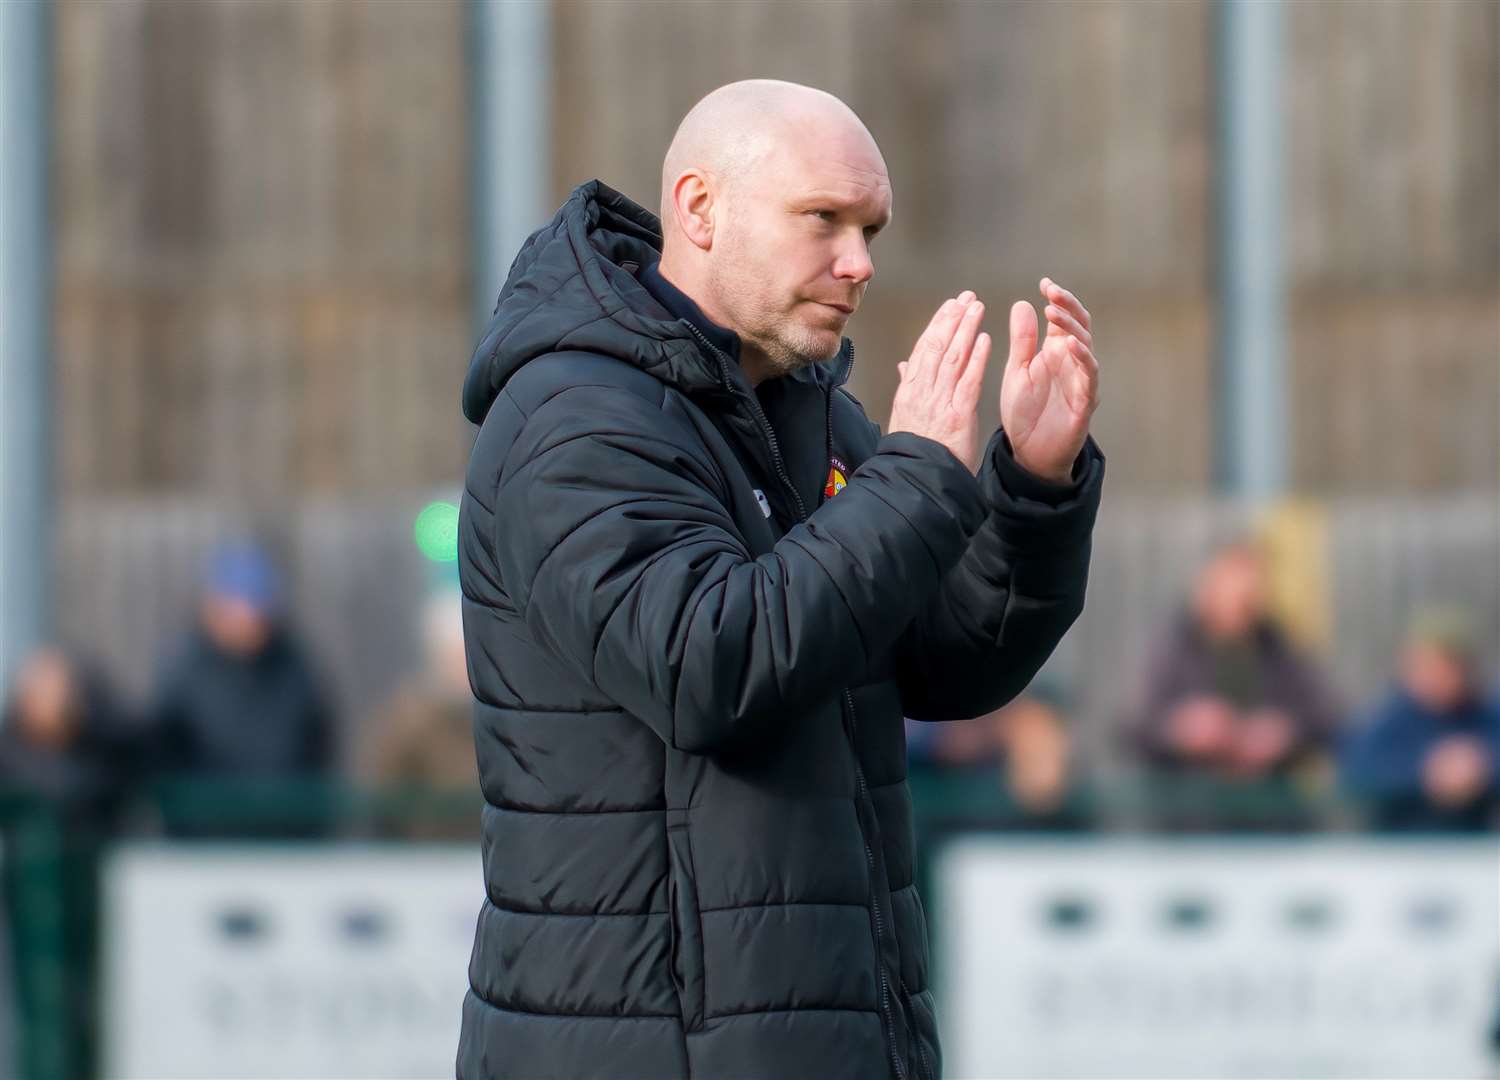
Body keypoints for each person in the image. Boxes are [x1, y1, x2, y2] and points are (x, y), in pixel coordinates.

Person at [456, 79, 1105, 1080]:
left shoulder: (807, 410)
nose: (859, 262)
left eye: (871, 228)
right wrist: (918, 479)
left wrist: (1031, 483)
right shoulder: (573, 416)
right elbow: (706, 668)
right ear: (699, 209)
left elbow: (942, 665)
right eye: (824, 220)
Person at [1124, 538, 1342, 831]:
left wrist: (1285, 734)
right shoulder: (1172, 652)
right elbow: (1130, 726)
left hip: (1272, 826)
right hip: (1189, 828)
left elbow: (1330, 721)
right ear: (1208, 589)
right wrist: (1180, 730)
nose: (1242, 600)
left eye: (1251, 591)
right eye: (1234, 589)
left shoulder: (1281, 650)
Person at [148, 539, 336, 837]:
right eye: (239, 604)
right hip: (201, 849)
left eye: (257, 604)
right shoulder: (182, 673)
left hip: (284, 846)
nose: (250, 617)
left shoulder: (296, 670)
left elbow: (318, 748)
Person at [1339, 608, 1500, 832]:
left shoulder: (1486, 712)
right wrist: (1425, 772)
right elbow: (1355, 767)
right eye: (1423, 666)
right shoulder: (1390, 716)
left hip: (1474, 850)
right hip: (1399, 848)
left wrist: (1481, 766)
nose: (1432, 676)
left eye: (1442, 667)